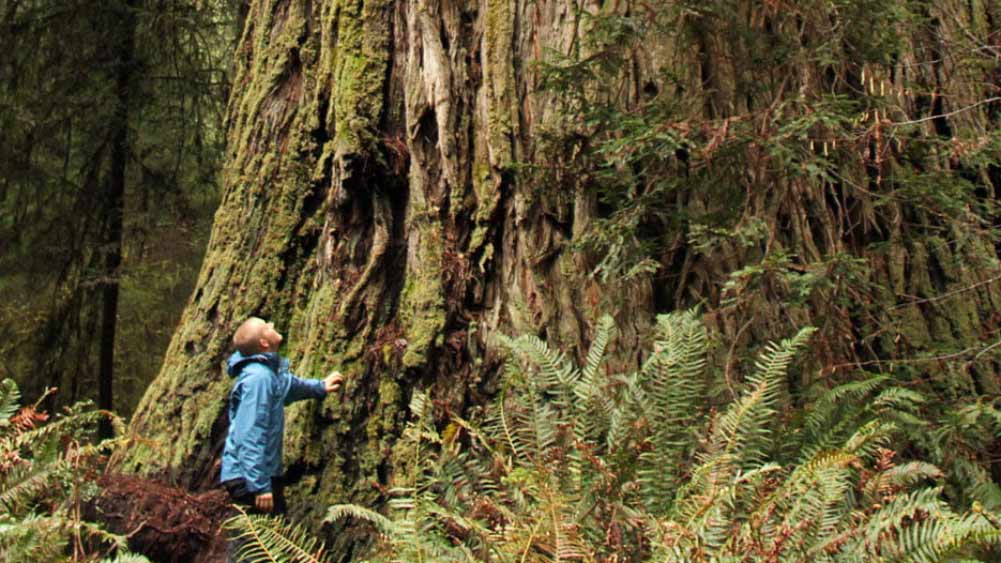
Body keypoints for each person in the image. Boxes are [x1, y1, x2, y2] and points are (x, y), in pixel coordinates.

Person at [220, 317, 343, 517]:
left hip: (256, 473)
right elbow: (250, 433)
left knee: (266, 538)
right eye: (267, 326)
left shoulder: (266, 374)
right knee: (260, 541)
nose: (272, 324)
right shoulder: (258, 379)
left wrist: (319, 387)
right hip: (249, 477)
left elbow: (287, 387)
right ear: (263, 343)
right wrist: (259, 485)